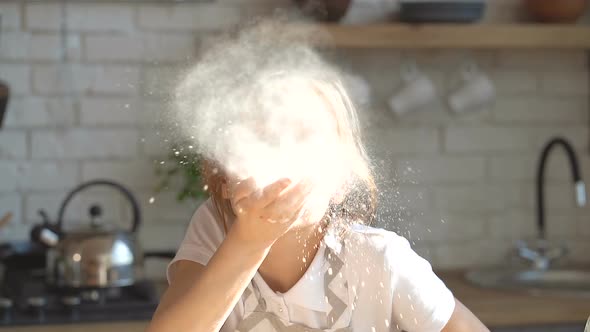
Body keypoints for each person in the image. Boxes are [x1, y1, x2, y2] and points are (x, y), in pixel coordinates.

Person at [147, 22, 489, 332]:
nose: (283, 156)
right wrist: (250, 240)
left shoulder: (379, 258)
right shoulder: (215, 230)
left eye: (305, 138)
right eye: (260, 138)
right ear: (224, 182)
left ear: (341, 183)